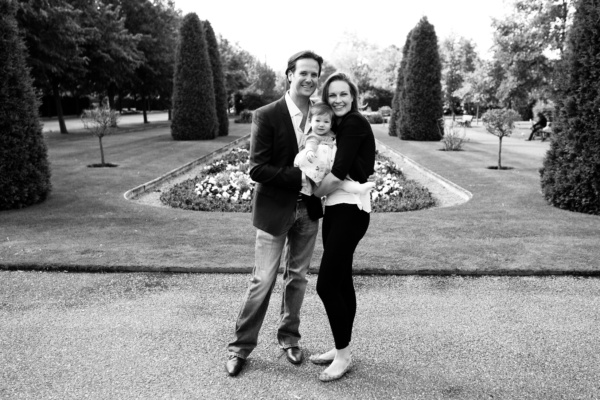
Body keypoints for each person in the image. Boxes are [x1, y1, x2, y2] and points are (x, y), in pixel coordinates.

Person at [225, 50, 325, 377]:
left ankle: (289, 337)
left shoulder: (322, 115)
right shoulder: (267, 115)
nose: (309, 79)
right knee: (263, 280)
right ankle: (240, 347)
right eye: (303, 73)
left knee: (297, 278)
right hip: (274, 210)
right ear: (290, 75)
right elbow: (257, 169)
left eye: (314, 74)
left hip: (309, 212)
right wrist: (301, 176)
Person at [309, 72, 376, 382]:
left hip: (350, 211)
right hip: (337, 210)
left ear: (353, 96)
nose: (337, 99)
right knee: (342, 281)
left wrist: (311, 194)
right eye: (332, 94)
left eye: (343, 94)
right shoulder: (338, 126)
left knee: (326, 284)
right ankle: (341, 349)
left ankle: (344, 355)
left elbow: (336, 175)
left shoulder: (354, 124)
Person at [294, 102, 375, 195]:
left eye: (326, 122)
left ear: (331, 124)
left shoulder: (332, 134)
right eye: (317, 120)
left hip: (331, 170)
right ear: (310, 122)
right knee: (337, 183)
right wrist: (309, 151)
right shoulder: (314, 136)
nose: (321, 125)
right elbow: (311, 143)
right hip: (319, 172)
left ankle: (359, 188)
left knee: (343, 183)